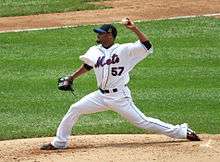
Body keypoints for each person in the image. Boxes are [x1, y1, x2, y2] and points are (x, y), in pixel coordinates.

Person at [41, 18, 200, 150]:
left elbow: (147, 46)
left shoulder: (125, 50)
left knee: (143, 122)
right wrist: (72, 77)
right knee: (74, 109)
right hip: (100, 96)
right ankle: (60, 142)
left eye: (101, 33)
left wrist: (135, 29)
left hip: (119, 97)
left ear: (109, 35)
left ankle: (181, 131)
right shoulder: (95, 50)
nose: (98, 35)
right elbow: (89, 65)